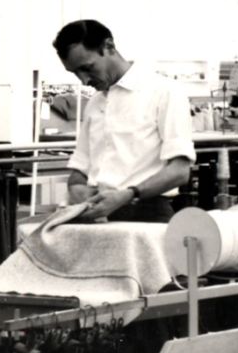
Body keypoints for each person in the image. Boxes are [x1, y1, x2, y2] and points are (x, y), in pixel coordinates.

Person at [53, 19, 195, 222]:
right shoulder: (95, 103)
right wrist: (77, 190)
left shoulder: (165, 92)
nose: (84, 81)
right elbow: (79, 171)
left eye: (88, 68)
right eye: (75, 73)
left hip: (147, 214)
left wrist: (128, 195)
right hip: (97, 217)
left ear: (108, 47)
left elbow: (179, 172)